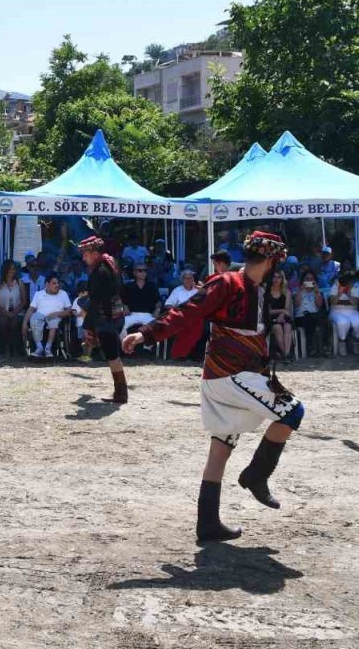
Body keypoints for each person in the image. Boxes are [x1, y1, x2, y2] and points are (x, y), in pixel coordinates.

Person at [122, 231, 302, 542]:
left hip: (240, 376)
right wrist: (147, 334)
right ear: (272, 260)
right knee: (292, 410)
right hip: (227, 377)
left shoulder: (257, 289)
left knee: (221, 449)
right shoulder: (227, 282)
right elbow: (188, 310)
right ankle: (256, 476)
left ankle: (207, 524)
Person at [79, 236, 128, 404]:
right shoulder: (110, 262)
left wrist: (87, 323)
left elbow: (97, 299)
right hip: (115, 313)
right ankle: (120, 392)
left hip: (107, 316)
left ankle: (121, 394)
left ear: (94, 253)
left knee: (112, 356)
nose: (83, 257)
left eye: (85, 254)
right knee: (112, 355)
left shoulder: (100, 271)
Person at [23, 274, 73, 357]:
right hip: (40, 315)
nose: (57, 285)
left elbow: (69, 310)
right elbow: (31, 310)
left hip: (56, 315)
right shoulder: (38, 294)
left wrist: (56, 314)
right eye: (54, 283)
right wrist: (24, 323)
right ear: (47, 284)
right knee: (34, 318)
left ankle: (48, 349)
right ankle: (39, 348)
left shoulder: (63, 294)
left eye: (57, 283)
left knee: (53, 321)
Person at [0, 260, 27, 356]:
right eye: (10, 269)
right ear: (5, 270)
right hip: (2, 312)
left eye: (14, 269)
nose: (12, 271)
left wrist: (15, 312)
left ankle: (16, 349)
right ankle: (4, 349)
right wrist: (5, 313)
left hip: (17, 312)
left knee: (14, 323)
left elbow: (24, 301)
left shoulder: (19, 283)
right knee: (3, 323)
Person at [292, 268, 327, 357]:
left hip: (314, 315)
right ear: (303, 280)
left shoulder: (316, 291)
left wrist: (316, 292)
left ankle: (324, 347)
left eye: (311, 279)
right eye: (307, 279)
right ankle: (311, 347)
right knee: (310, 319)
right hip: (301, 316)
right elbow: (296, 304)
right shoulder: (297, 290)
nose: (309, 281)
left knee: (325, 321)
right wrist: (301, 290)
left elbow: (319, 305)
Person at [328, 272, 359, 352]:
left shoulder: (356, 286)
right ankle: (342, 342)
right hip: (336, 310)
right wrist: (339, 293)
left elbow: (355, 302)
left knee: (358, 322)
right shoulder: (336, 285)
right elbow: (332, 302)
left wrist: (348, 293)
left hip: (352, 310)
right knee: (343, 322)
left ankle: (356, 341)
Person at [121, 263, 160, 334]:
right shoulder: (127, 286)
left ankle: (148, 345)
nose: (143, 272)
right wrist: (124, 306)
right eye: (140, 270)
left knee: (157, 328)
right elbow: (122, 300)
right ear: (134, 273)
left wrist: (157, 309)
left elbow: (158, 301)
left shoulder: (152, 286)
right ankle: (124, 345)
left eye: (145, 270)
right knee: (121, 327)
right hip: (132, 314)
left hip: (148, 315)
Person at [266, 269, 294, 362]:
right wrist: (282, 311)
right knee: (277, 327)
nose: (276, 279)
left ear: (282, 279)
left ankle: (285, 354)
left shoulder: (286, 292)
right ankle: (285, 354)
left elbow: (287, 309)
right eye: (274, 277)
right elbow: (268, 311)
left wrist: (282, 314)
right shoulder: (267, 292)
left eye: (279, 277)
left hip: (284, 316)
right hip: (271, 317)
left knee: (287, 326)